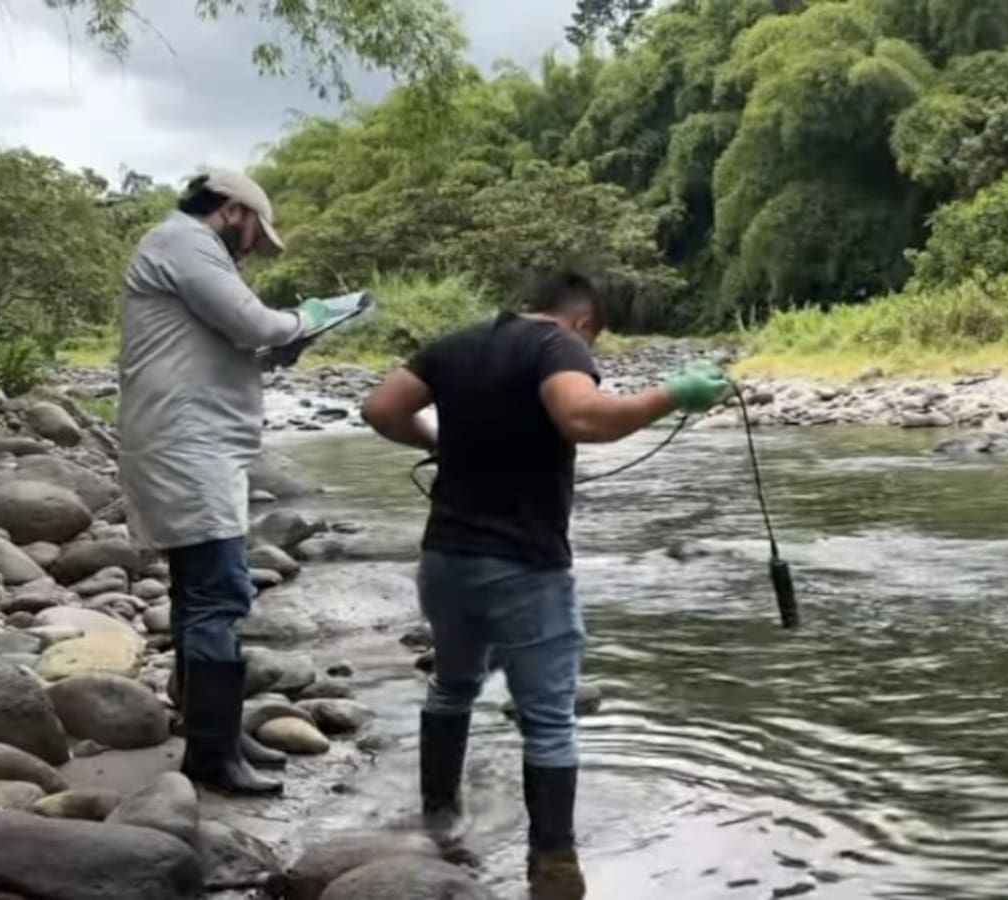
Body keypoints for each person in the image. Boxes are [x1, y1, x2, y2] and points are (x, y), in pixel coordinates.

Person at [361, 270, 730, 898]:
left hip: (446, 559)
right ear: (583, 321)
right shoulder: (559, 346)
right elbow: (583, 418)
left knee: (452, 686)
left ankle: (439, 819)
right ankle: (554, 866)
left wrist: (438, 443)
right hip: (524, 565)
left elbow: (380, 408)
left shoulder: (456, 343)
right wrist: (673, 395)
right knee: (551, 721)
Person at [118, 169, 331, 796]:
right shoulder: (185, 242)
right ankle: (211, 758)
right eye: (252, 233)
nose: (250, 248)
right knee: (219, 592)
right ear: (233, 210)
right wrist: (308, 317)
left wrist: (273, 351)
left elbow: (222, 343)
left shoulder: (180, 247)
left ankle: (218, 734)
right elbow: (256, 324)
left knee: (197, 591)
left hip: (189, 442)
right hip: (190, 447)